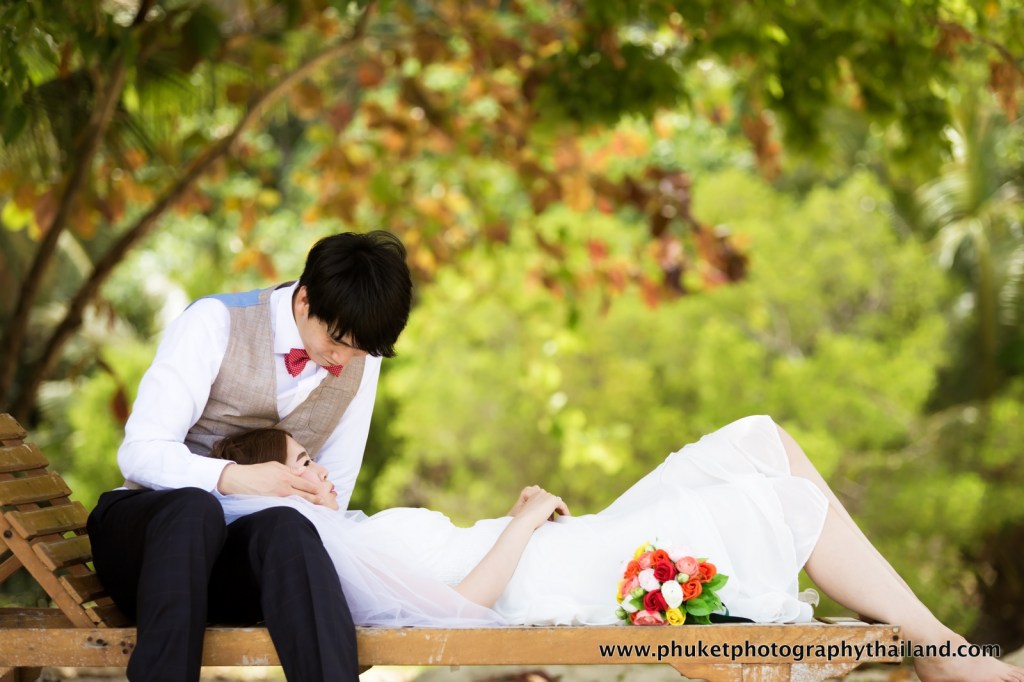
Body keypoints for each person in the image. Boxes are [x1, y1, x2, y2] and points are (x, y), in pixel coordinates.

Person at [210, 418, 1024, 682]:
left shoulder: (342, 534)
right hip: (561, 572)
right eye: (300, 463)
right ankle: (953, 654)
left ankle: (941, 648)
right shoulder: (322, 545)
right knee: (779, 497)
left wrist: (527, 523)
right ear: (263, 481)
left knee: (757, 438)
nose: (317, 470)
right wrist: (523, 521)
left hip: (571, 545)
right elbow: (458, 613)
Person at [86, 231, 414, 682]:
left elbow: (333, 486)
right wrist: (241, 479)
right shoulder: (213, 322)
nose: (344, 360)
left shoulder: (358, 357)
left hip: (235, 568)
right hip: (147, 548)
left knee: (292, 525)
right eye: (337, 342)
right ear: (304, 300)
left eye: (359, 350)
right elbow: (140, 453)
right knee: (193, 508)